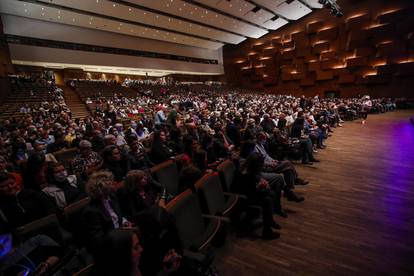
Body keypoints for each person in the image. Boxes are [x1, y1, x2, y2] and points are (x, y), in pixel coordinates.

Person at [81, 171, 132, 256]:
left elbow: (118, 217)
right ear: (103, 188)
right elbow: (99, 240)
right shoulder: (91, 211)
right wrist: (121, 232)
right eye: (112, 183)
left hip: (122, 236)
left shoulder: (112, 197)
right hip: (111, 247)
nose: (115, 183)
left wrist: (124, 222)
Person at [237, 153, 281, 240]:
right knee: (267, 199)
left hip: (250, 193)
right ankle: (267, 231)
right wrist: (261, 187)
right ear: (256, 165)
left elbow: (256, 180)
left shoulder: (249, 169)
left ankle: (269, 221)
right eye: (261, 164)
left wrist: (262, 182)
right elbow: (249, 191)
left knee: (272, 194)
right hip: (244, 197)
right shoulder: (245, 174)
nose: (262, 166)